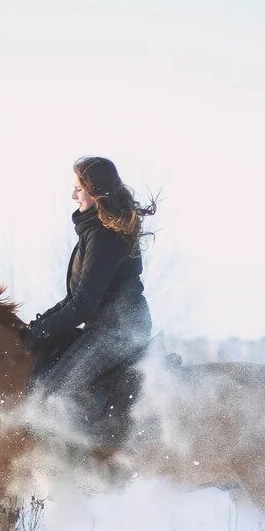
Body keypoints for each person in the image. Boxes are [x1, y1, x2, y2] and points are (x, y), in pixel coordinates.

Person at [22, 156, 157, 432]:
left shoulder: (104, 236)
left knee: (51, 397)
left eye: (78, 188)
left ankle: (84, 468)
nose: (73, 195)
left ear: (97, 192)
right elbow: (76, 298)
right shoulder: (95, 232)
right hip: (109, 327)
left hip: (117, 331)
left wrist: (39, 333)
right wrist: (36, 328)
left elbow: (83, 305)